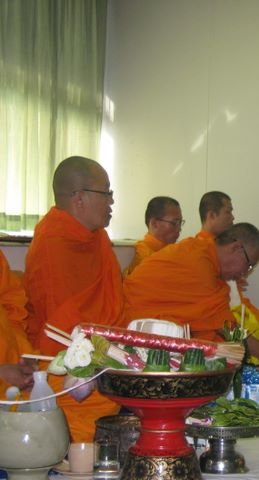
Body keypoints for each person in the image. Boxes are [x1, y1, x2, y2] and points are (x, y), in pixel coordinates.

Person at [23, 156, 127, 441]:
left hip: (107, 354)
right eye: (106, 193)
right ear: (79, 198)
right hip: (64, 363)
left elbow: (113, 306)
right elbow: (62, 328)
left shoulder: (98, 239)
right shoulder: (52, 243)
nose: (111, 201)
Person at [123, 222, 259, 377]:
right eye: (249, 265)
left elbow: (214, 326)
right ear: (236, 248)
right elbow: (226, 328)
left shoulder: (206, 258)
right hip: (130, 337)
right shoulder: (200, 264)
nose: (244, 274)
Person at [196, 191, 259, 347]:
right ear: (211, 215)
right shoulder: (200, 251)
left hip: (235, 311)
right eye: (228, 212)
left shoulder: (217, 249)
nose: (233, 218)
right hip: (222, 318)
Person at [0, 250, 36, 392]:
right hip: (4, 375)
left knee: (86, 388)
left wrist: (25, 355)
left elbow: (13, 311)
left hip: (12, 363)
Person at [122, 196, 183, 276]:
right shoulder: (145, 257)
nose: (179, 229)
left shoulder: (177, 252)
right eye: (174, 223)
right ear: (154, 223)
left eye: (180, 223)